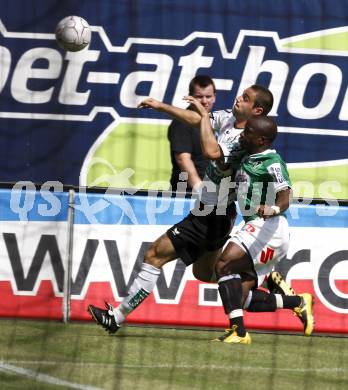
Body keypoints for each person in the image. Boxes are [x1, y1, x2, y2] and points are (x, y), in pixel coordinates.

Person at [87, 85, 294, 334]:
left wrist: (204, 117)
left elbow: (210, 151)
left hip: (213, 214)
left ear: (256, 110)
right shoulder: (230, 118)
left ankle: (116, 317)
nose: (239, 98)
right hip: (213, 212)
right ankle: (271, 287)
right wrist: (161, 106)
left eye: (246, 98)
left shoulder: (244, 143)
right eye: (242, 94)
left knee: (154, 254)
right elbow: (197, 119)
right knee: (206, 274)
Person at [186, 111, 313, 344]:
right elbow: (219, 157)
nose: (242, 135)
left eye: (248, 133)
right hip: (255, 226)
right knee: (241, 298)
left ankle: (239, 332)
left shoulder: (272, 162)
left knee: (223, 264)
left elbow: (286, 195)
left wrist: (272, 208)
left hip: (269, 227)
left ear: (261, 140)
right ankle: (298, 302)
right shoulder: (246, 156)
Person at [168, 75, 216, 192]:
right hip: (188, 192)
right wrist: (199, 187)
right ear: (190, 97)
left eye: (208, 96)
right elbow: (183, 159)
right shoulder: (181, 122)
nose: (204, 101)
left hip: (213, 190)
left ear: (214, 97)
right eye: (199, 97)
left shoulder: (216, 121)